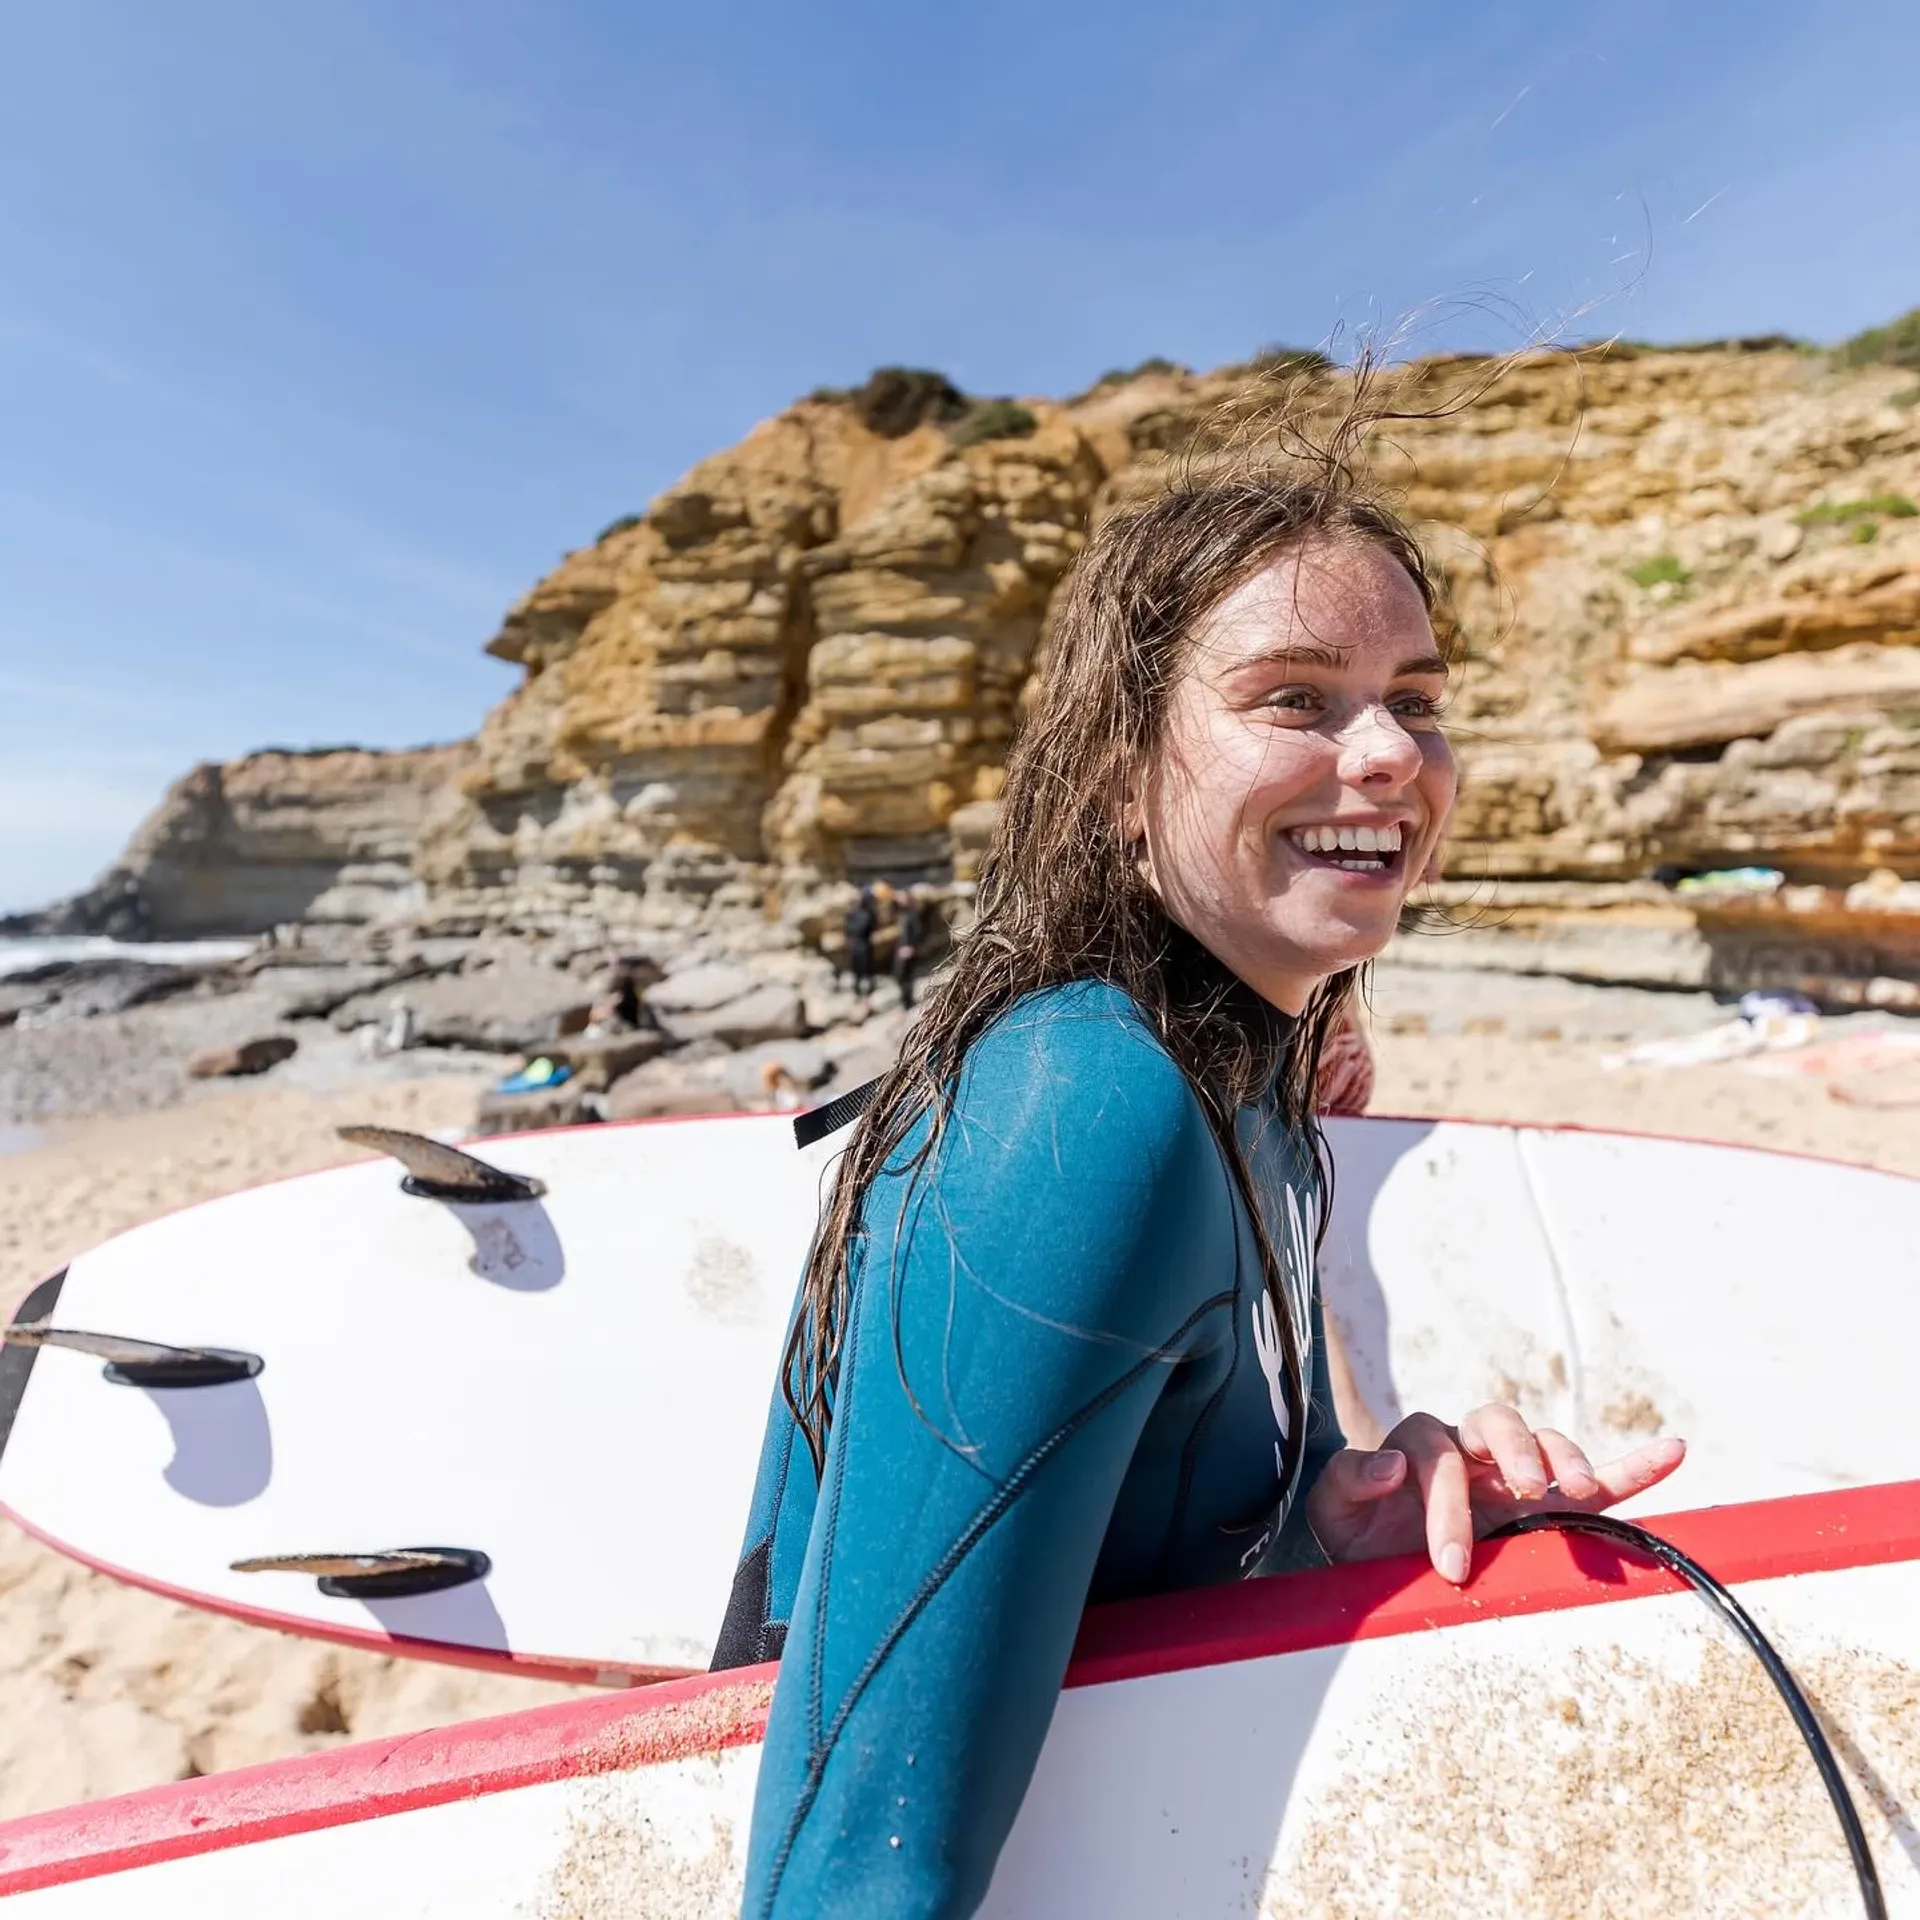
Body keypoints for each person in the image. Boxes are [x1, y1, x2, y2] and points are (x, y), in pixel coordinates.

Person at [714, 429, 1686, 1918]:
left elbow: (1153, 1521)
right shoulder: (1082, 1110)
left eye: (1415, 702)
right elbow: (846, 1875)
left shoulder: (1256, 1091)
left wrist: (1331, 1524)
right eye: (1295, 697)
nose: (1388, 754)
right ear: (1119, 779)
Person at [891, 886, 930, 1008]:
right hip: (900, 948)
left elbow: (919, 932)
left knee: (906, 976)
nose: (900, 900)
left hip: (908, 950)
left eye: (902, 897)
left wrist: (912, 948)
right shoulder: (902, 913)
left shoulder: (913, 913)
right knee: (899, 975)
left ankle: (907, 1004)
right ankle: (904, 1003)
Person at [843, 884, 879, 997]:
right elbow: (848, 928)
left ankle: (870, 990)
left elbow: (868, 927)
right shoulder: (853, 912)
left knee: (867, 967)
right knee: (855, 968)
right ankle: (857, 991)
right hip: (855, 943)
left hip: (864, 943)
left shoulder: (870, 913)